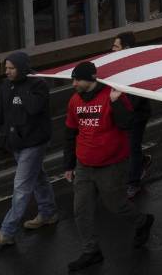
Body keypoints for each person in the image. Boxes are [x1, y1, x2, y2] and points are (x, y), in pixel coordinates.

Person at [63, 61, 154, 271]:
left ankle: (142, 221)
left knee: (115, 204)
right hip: (84, 164)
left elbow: (127, 124)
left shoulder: (113, 96)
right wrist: (69, 164)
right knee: (81, 210)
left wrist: (116, 103)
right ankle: (91, 251)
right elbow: (70, 133)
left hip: (111, 163)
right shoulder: (75, 100)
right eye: (73, 80)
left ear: (91, 80)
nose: (73, 84)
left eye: (77, 80)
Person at [0, 51, 58, 246]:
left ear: (22, 68)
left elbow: (33, 108)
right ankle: (48, 213)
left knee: (21, 186)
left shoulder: (38, 85)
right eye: (6, 68)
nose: (7, 72)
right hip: (16, 141)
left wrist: (21, 86)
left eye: (11, 68)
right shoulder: (6, 85)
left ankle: (7, 232)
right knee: (38, 177)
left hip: (34, 142)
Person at [109, 33, 153, 199]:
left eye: (116, 46)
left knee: (132, 147)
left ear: (125, 48)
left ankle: (133, 183)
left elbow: (136, 97)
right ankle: (141, 161)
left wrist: (120, 102)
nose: (112, 49)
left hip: (136, 115)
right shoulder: (117, 64)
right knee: (130, 145)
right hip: (125, 112)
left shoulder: (136, 68)